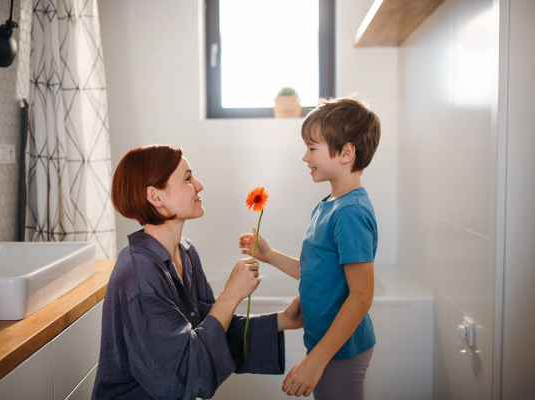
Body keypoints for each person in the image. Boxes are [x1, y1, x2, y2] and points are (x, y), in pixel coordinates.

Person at [93, 144, 303, 400]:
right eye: (188, 178)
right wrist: (231, 294)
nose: (199, 185)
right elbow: (177, 377)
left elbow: (212, 329)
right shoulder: (139, 274)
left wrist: (284, 320)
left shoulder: (186, 251)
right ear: (155, 197)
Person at [239, 97, 381, 399]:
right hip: (325, 343)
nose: (305, 157)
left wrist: (318, 359)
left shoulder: (350, 212)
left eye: (312, 148)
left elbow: (361, 295)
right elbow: (318, 272)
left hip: (339, 351)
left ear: (345, 153)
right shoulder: (329, 205)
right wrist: (270, 256)